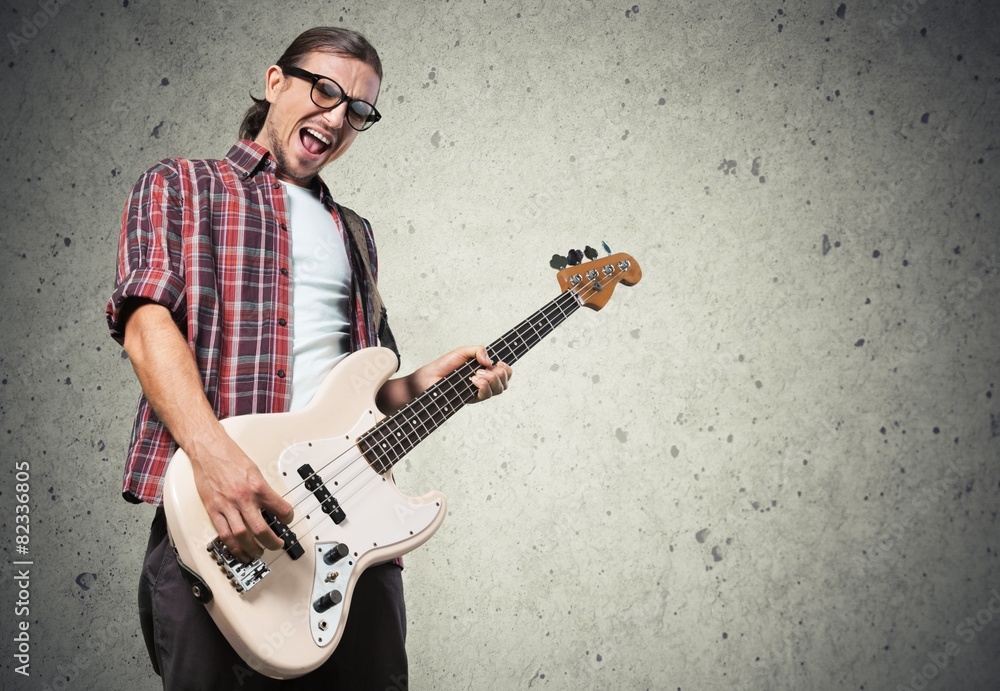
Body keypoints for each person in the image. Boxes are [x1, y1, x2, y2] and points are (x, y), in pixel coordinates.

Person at [105, 27, 511, 690]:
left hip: (349, 550)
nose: (337, 116)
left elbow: (360, 401)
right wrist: (216, 460)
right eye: (325, 89)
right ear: (274, 82)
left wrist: (431, 383)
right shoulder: (182, 187)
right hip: (222, 524)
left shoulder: (355, 234)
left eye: (358, 110)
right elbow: (146, 325)